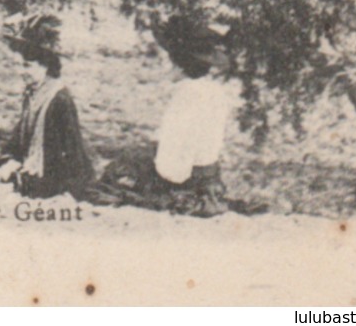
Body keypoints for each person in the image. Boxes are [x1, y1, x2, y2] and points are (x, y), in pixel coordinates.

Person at [96, 18, 245, 216]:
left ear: (179, 65)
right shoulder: (214, 90)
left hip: (186, 180)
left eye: (171, 62)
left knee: (114, 176)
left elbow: (173, 168)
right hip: (210, 175)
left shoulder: (186, 94)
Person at [0, 12, 92, 198]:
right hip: (30, 163)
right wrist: (10, 163)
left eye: (27, 66)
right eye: (22, 66)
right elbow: (20, 141)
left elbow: (70, 150)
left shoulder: (59, 99)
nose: (22, 72)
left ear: (45, 67)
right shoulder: (32, 95)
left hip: (51, 170)